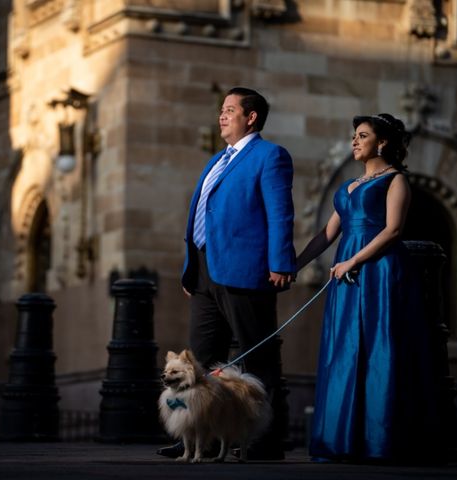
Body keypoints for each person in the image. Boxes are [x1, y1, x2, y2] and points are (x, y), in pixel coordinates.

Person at [157, 87, 297, 460]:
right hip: (204, 271)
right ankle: (191, 436)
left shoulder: (271, 156)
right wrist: (194, 268)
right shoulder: (217, 159)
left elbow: (280, 212)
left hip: (246, 270)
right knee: (199, 360)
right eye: (221, 110)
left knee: (258, 357)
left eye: (230, 110)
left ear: (250, 117)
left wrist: (281, 260)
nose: (221, 116)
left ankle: (265, 441)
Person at [296, 113, 442, 463]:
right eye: (354, 136)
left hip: (379, 272)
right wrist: (293, 265)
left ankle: (379, 441)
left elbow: (392, 231)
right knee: (345, 346)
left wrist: (352, 262)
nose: (355, 141)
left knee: (380, 346)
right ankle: (341, 440)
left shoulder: (396, 181)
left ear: (383, 143)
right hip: (348, 274)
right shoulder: (347, 188)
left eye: (363, 135)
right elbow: (327, 235)